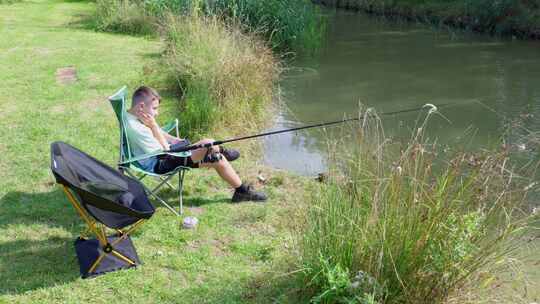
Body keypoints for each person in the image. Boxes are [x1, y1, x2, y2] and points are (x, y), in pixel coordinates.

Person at [124, 86, 267, 203]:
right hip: (159, 162)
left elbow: (160, 135)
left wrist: (175, 140)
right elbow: (164, 151)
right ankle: (221, 151)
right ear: (141, 106)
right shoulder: (136, 128)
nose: (157, 113)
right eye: (154, 108)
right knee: (208, 143)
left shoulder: (134, 115)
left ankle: (241, 191)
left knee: (217, 160)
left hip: (162, 154)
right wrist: (154, 127)